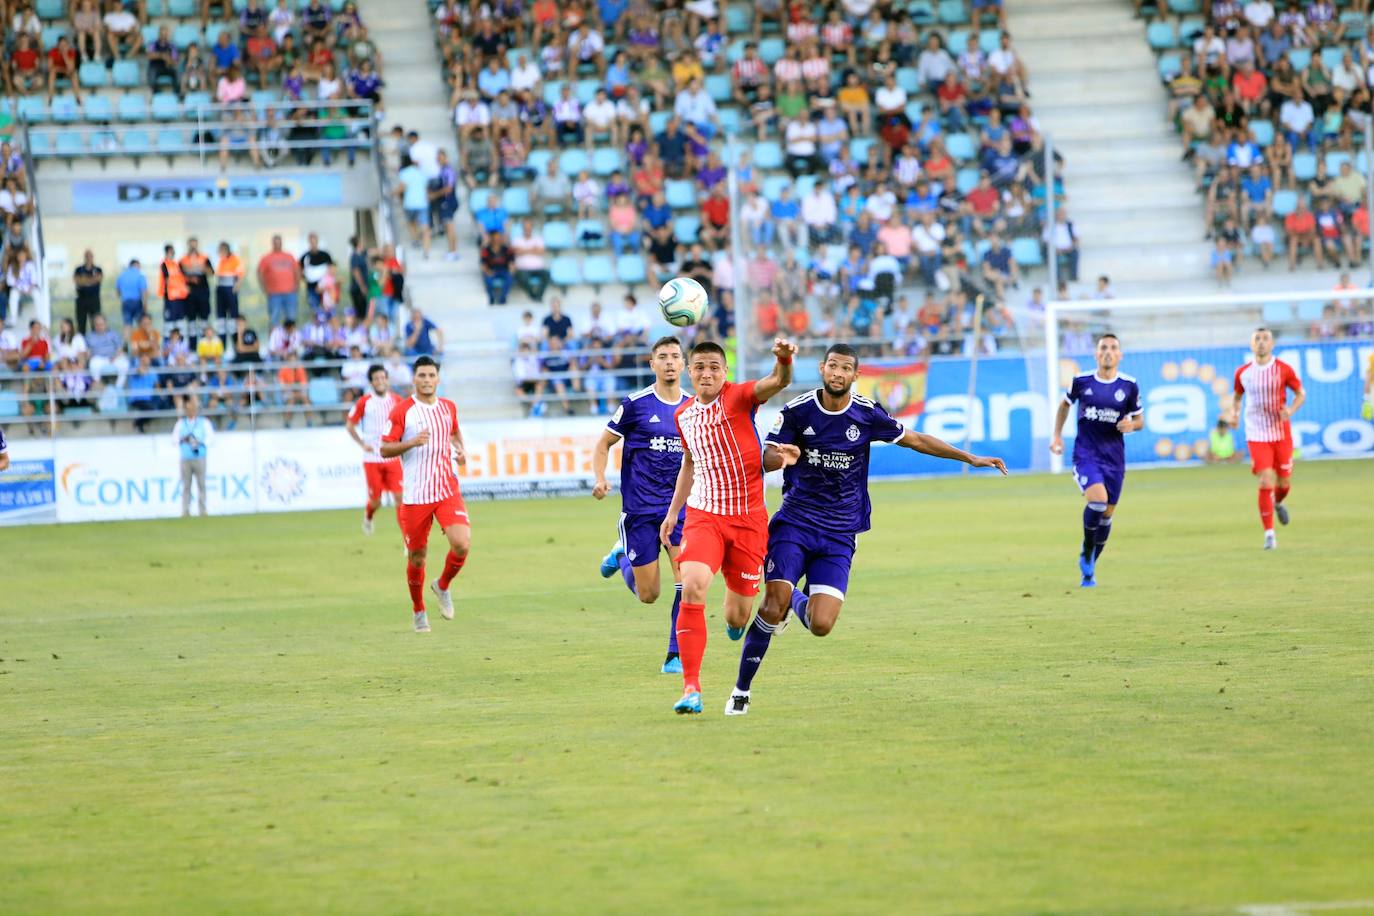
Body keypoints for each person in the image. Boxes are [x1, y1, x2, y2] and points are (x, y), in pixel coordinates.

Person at [726, 343, 1008, 715]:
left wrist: (969, 457)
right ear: (822, 369)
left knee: (822, 624)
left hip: (840, 533)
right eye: (832, 366)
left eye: (846, 368)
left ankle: (796, 596)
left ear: (856, 376)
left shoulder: (866, 414)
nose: (838, 374)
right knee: (771, 603)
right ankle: (741, 692)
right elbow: (765, 455)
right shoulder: (797, 411)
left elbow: (917, 440)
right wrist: (778, 457)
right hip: (795, 522)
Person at [656, 337, 797, 715]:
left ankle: (734, 622)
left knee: (738, 617)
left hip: (749, 522)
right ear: (690, 371)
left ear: (725, 372)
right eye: (699, 367)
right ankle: (691, 689)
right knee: (693, 586)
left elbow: (778, 381)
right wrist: (673, 513)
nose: (706, 373)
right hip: (705, 517)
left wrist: (783, 358)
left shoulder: (739, 397)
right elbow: (689, 462)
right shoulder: (682, 415)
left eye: (714, 367)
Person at [590, 336, 692, 675]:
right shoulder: (635, 404)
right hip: (640, 512)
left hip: (681, 510)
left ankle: (674, 655)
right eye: (662, 357)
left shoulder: (695, 407)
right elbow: (603, 443)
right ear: (652, 364)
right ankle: (622, 556)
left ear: (683, 364)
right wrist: (600, 478)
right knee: (649, 594)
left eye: (674, 356)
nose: (668, 362)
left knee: (686, 581)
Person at [379, 355, 471, 633]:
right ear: (414, 378)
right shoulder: (402, 411)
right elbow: (384, 449)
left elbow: (454, 432)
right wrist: (412, 442)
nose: (427, 380)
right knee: (417, 556)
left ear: (438, 379)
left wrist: (461, 449)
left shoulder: (448, 407)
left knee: (462, 543)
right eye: (422, 376)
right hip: (416, 495)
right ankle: (419, 609)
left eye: (431, 376)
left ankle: (442, 586)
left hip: (446, 489)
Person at [1049, 333, 1145, 588]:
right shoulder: (1081, 381)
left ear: (1120, 355)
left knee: (1107, 515)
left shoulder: (1129, 385)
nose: (1108, 352)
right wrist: (1057, 436)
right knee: (1098, 502)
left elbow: (1140, 420)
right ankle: (1087, 549)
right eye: (1103, 347)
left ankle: (1089, 563)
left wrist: (1131, 425)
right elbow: (1064, 405)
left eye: (1113, 348)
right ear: (1096, 353)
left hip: (1114, 458)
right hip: (1086, 455)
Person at [1226, 327, 1305, 549]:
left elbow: (1301, 394)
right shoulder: (1243, 372)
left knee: (1283, 482)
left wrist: (1290, 411)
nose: (1261, 342)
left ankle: (1278, 502)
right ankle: (1269, 534)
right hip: (1256, 433)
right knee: (1265, 479)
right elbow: (1237, 397)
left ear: (1272, 344)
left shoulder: (1284, 370)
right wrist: (1234, 415)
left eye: (1265, 339)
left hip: (1280, 433)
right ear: (1251, 345)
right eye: (1257, 339)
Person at [346, 363, 404, 539]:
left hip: (392, 457)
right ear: (371, 382)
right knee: (376, 500)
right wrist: (362, 443)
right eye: (376, 378)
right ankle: (368, 516)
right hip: (372, 459)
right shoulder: (364, 402)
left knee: (400, 498)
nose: (380, 381)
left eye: (382, 378)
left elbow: (405, 423)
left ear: (387, 379)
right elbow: (350, 425)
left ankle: (407, 540)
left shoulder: (397, 400)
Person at [172, 395, 214, 517]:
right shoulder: (180, 424)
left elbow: (211, 438)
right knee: (186, 485)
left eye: (193, 408)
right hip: (185, 458)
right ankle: (185, 510)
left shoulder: (204, 422)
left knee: (201, 484)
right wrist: (182, 439)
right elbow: (174, 439)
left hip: (200, 456)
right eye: (188, 408)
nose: (191, 410)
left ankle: (203, 510)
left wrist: (200, 442)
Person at [214, 241, 245, 338]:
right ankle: (222, 344)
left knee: (232, 318)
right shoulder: (220, 260)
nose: (219, 252)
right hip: (220, 290)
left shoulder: (234, 259)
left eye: (220, 250)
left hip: (230, 290)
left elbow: (240, 274)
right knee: (221, 318)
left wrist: (236, 287)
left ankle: (235, 341)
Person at [72, 250, 103, 336]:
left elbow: (98, 279)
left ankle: (96, 340)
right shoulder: (79, 269)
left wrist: (85, 280)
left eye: (90, 256)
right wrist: (91, 280)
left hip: (94, 299)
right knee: (81, 323)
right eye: (87, 256)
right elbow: (77, 281)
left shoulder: (98, 269)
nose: (89, 258)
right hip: (82, 299)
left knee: (96, 321)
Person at [115, 259, 148, 331]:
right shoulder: (140, 275)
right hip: (137, 303)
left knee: (127, 324)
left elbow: (117, 292)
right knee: (141, 324)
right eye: (139, 266)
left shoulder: (122, 275)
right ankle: (141, 340)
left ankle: (126, 342)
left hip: (126, 303)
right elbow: (144, 291)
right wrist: (145, 305)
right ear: (136, 265)